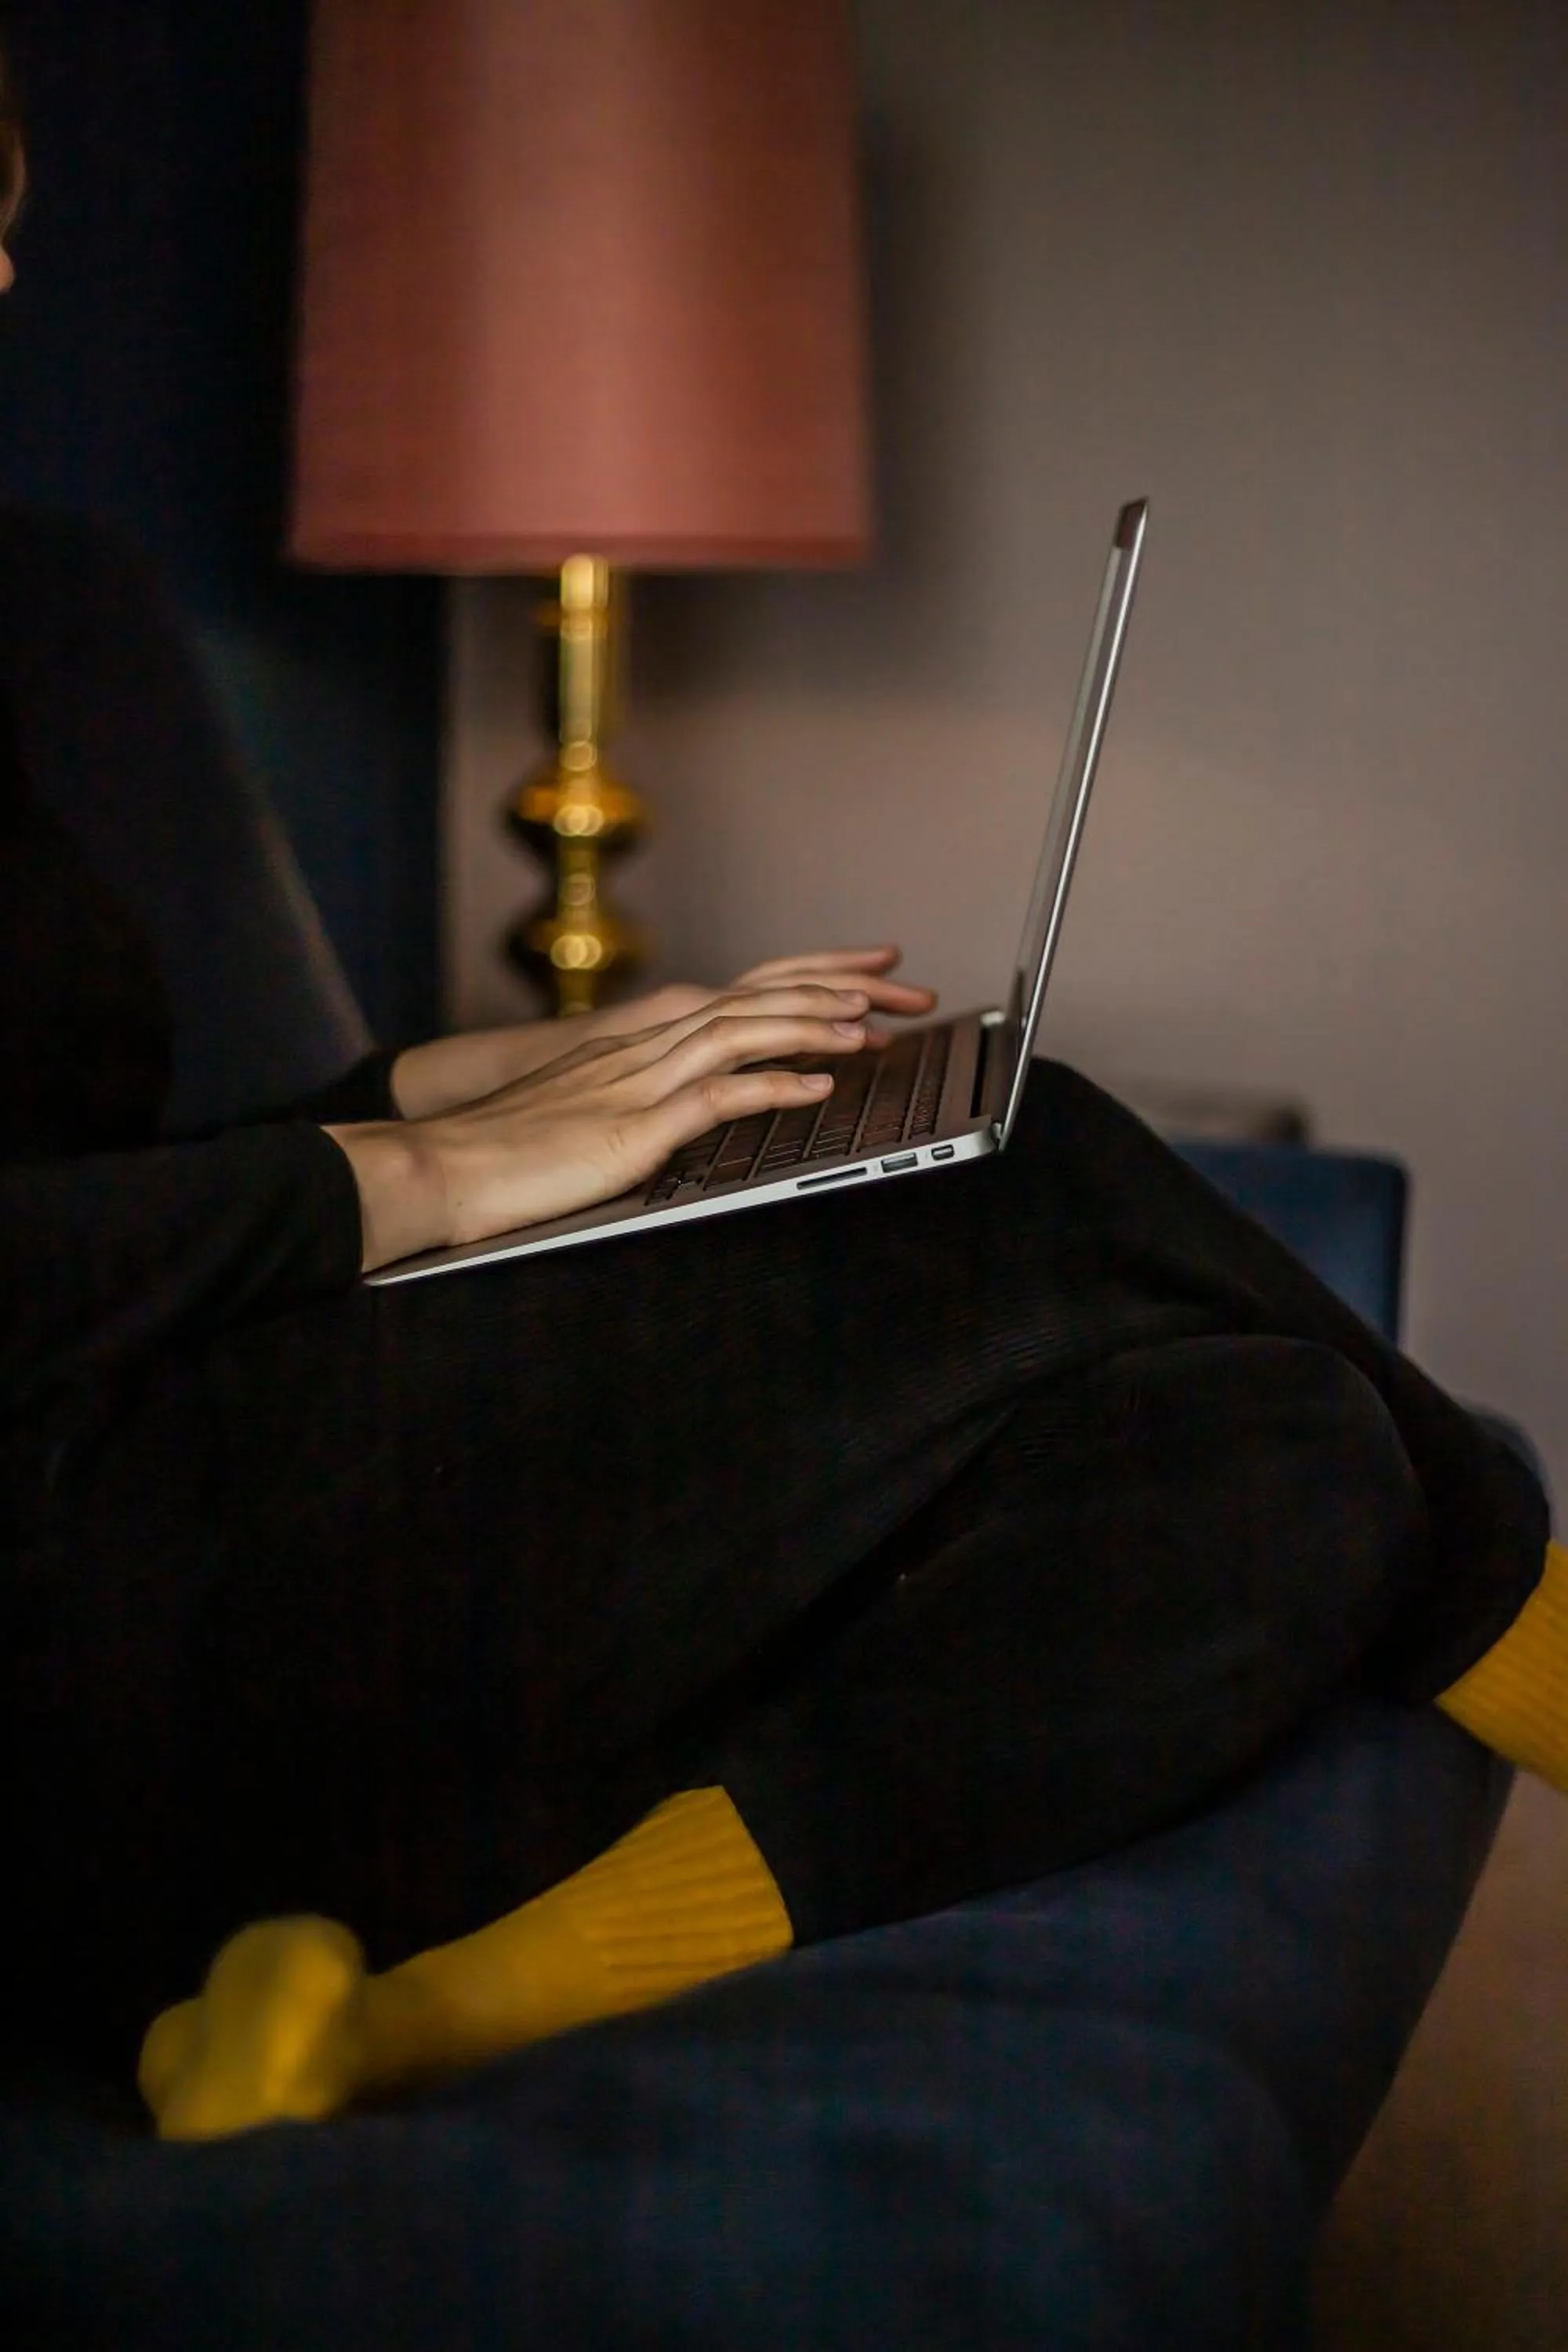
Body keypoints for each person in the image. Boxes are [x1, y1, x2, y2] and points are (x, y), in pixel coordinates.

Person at [0, 66, 1559, 2145]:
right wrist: (437, 1169)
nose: (8, 272)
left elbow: (120, 1181)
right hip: (83, 1677)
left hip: (224, 1503)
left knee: (1291, 1467)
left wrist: (552, 1066)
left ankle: (385, 2030)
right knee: (1028, 1142)